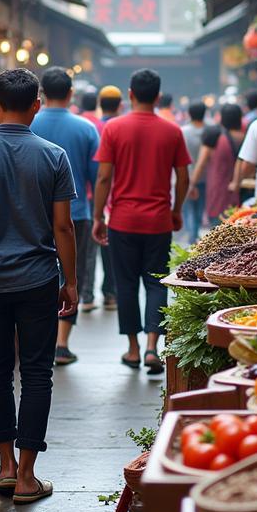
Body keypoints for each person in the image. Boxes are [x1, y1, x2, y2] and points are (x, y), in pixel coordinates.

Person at [0, 68, 78, 505]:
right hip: (39, 278)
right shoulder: (54, 156)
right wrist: (71, 282)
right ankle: (27, 475)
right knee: (38, 373)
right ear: (37, 106)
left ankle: (4, 468)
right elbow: (63, 228)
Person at [93, 68, 190, 374]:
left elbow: (104, 176)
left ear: (130, 95)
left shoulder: (113, 128)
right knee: (156, 282)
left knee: (125, 285)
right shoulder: (172, 131)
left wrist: (98, 216)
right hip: (158, 222)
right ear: (158, 97)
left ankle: (133, 350)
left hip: (122, 220)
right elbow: (184, 177)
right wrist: (176, 210)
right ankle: (152, 348)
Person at [31, 67, 100, 364]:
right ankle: (61, 343)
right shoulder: (86, 129)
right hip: (77, 214)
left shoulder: (29, 123)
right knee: (71, 274)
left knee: (37, 272)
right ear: (71, 94)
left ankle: (39, 340)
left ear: (42, 95)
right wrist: (100, 215)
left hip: (32, 212)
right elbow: (96, 178)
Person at [190, 102, 246, 228]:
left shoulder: (213, 135)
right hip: (240, 190)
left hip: (218, 191)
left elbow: (201, 163)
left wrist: (192, 184)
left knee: (217, 229)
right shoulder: (244, 137)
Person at [96, 85, 124, 309]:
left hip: (98, 194)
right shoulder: (122, 128)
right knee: (111, 250)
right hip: (117, 197)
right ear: (121, 104)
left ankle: (98, 292)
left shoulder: (95, 127)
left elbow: (99, 174)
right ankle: (110, 292)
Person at [180, 101, 207, 241]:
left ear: (189, 114)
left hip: (186, 176)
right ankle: (194, 235)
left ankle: (192, 236)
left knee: (188, 209)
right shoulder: (209, 131)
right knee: (200, 209)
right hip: (204, 177)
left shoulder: (184, 132)